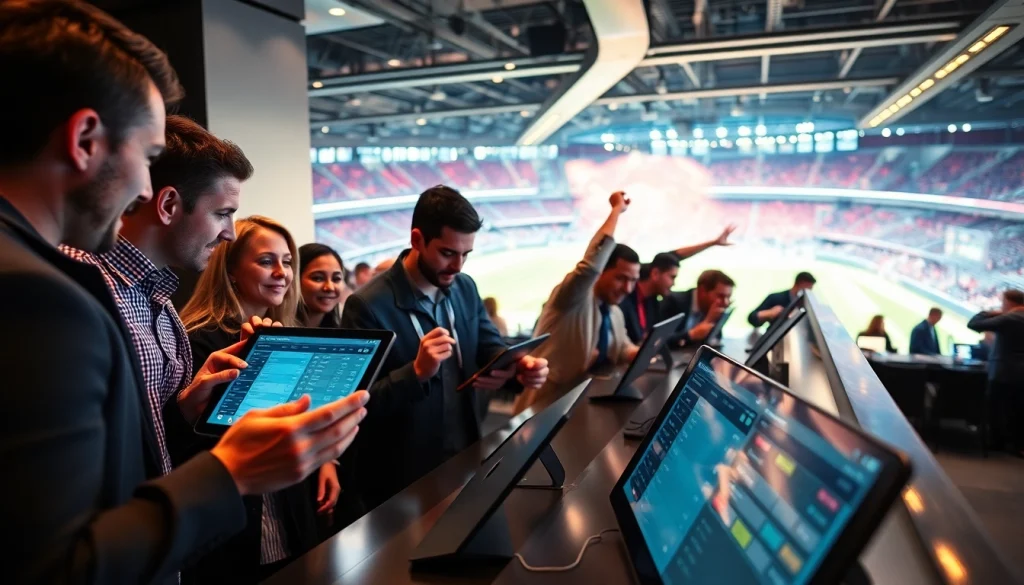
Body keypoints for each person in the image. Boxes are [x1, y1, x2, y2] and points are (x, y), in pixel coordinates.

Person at [0, 2, 367, 583]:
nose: (146, 185)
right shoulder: (45, 293)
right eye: (147, 158)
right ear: (86, 140)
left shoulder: (153, 304)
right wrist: (231, 472)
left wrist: (185, 409)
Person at [341, 185, 548, 512]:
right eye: (448, 253)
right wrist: (416, 373)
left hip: (466, 456)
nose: (458, 266)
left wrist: (518, 366)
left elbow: (488, 345)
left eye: (466, 254)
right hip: (401, 481)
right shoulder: (367, 306)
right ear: (417, 240)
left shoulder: (464, 287)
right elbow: (356, 405)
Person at [180, 216, 339, 583]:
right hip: (232, 538)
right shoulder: (198, 343)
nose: (282, 272)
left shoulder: (289, 336)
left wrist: (327, 460)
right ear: (231, 270)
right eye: (267, 261)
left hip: (291, 523)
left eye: (287, 262)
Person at [526, 191, 641, 401]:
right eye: (621, 278)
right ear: (602, 272)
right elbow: (590, 266)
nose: (628, 288)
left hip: (582, 406)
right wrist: (616, 210)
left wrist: (641, 353)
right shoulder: (572, 298)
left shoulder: (614, 312)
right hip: (544, 406)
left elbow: (623, 347)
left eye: (633, 281)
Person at [968, 289, 1024, 456]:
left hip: (1002, 371)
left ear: (1008, 303)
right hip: (1021, 374)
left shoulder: (1009, 318)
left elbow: (974, 324)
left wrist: (991, 312)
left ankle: (997, 443)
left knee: (997, 408)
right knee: (1018, 410)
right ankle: (1017, 445)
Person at [660, 269, 736, 346]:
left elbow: (714, 340)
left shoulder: (711, 308)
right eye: (720, 296)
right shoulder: (674, 302)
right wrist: (691, 334)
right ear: (702, 291)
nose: (726, 302)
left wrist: (713, 320)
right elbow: (660, 339)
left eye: (728, 297)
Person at [298, 242, 350, 328]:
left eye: (336, 279)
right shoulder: (275, 331)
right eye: (318, 278)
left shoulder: (344, 336)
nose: (329, 287)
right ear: (295, 280)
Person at [747, 272, 816, 328]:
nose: (808, 292)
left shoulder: (807, 303)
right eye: (807, 288)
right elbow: (752, 318)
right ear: (799, 283)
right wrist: (769, 313)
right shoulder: (776, 298)